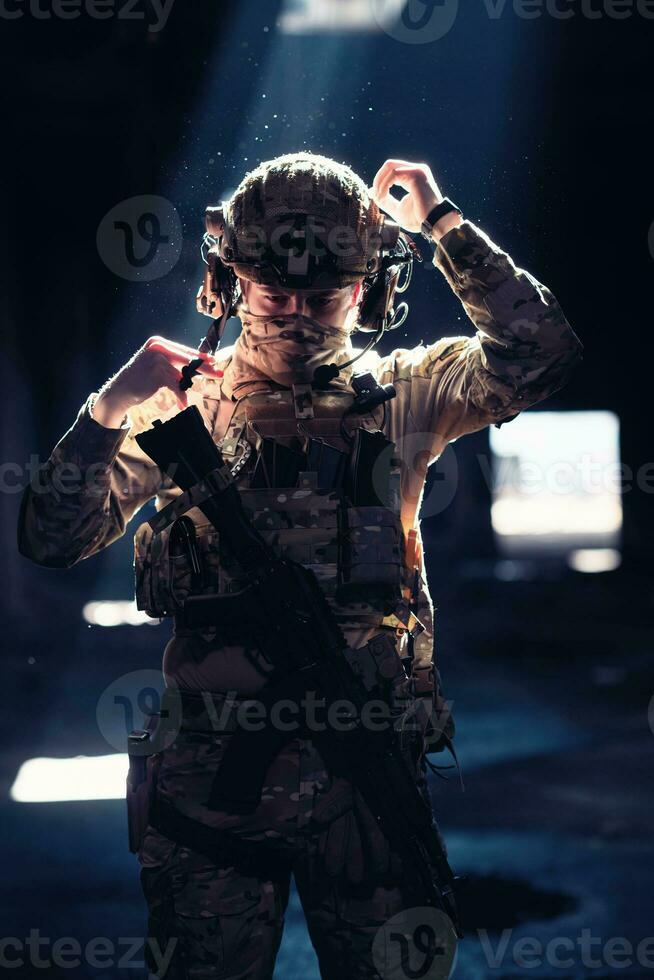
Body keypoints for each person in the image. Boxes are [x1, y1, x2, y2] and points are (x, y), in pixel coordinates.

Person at [17, 151, 583, 979]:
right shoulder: (183, 407)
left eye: (322, 299)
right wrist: (109, 408)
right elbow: (52, 537)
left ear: (369, 290)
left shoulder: (404, 393)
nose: (294, 318)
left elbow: (541, 352)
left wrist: (441, 224)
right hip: (215, 794)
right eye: (273, 296)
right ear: (230, 285)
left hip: (367, 786)